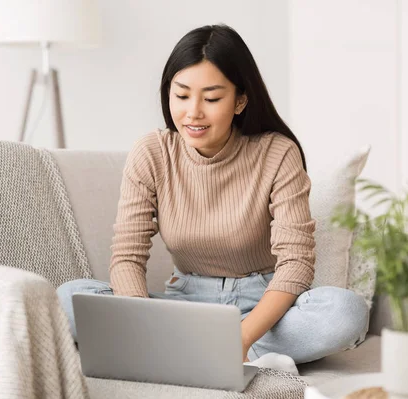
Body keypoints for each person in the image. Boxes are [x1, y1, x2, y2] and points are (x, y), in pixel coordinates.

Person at [57, 24, 368, 367]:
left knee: (346, 312)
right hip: (183, 305)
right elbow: (127, 257)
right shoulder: (152, 152)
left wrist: (244, 335)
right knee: (69, 297)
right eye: (182, 94)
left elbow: (295, 265)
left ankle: (189, 353)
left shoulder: (278, 153)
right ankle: (198, 350)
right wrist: (141, 320)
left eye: (212, 98)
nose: (193, 112)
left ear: (240, 100)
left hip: (263, 310)